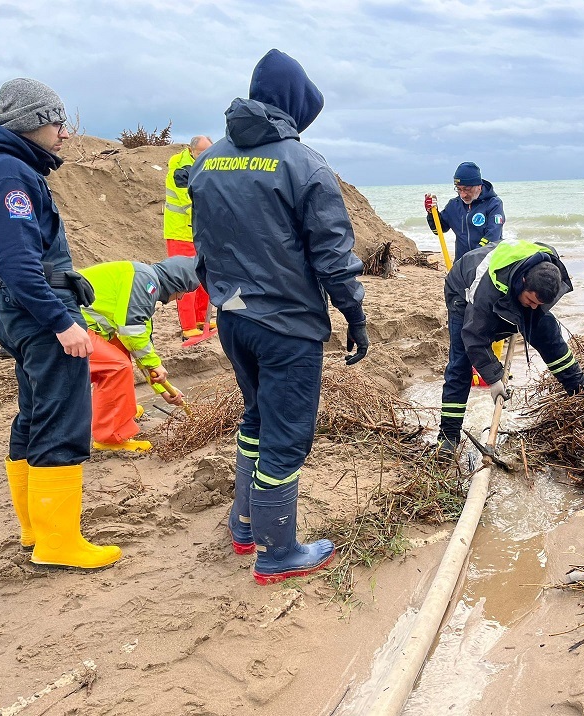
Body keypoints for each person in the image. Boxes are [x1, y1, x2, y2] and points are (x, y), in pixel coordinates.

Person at [190, 49, 370, 585]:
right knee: (287, 433)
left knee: (256, 419)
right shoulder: (303, 164)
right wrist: (354, 316)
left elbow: (203, 245)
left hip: (233, 316)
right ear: (294, 106)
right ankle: (276, 550)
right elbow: (333, 256)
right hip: (287, 325)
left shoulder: (209, 160)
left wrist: (224, 295)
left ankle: (243, 524)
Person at [0, 78, 121, 569]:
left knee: (33, 415)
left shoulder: (0, 165)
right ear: (31, 122)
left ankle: (35, 531)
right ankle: (58, 543)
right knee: (61, 419)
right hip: (38, 313)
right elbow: (15, 259)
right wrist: (61, 321)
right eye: (58, 121)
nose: (65, 133)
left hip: (20, 311)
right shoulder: (10, 173)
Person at [438, 239, 584, 454]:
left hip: (508, 286)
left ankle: (577, 383)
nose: (533, 306)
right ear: (522, 281)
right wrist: (494, 378)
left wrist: (531, 309)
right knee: (461, 360)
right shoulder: (487, 291)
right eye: (530, 300)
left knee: (546, 330)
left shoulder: (549, 269)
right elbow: (474, 336)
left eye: (538, 303)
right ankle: (448, 435)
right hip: (463, 290)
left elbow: (535, 307)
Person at [79, 256, 199, 453]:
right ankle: (110, 437)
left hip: (86, 324)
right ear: (175, 284)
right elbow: (132, 332)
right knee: (116, 366)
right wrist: (155, 365)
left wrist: (162, 389)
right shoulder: (145, 282)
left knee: (120, 354)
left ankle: (120, 411)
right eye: (182, 292)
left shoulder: (145, 282)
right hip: (68, 323)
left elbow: (140, 347)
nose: (180, 298)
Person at [164, 135, 213, 340]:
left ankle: (202, 318)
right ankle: (188, 326)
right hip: (180, 233)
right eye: (202, 153)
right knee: (186, 279)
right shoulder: (180, 170)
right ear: (191, 151)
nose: (205, 157)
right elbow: (192, 201)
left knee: (204, 276)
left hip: (199, 233)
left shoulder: (206, 166)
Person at [425, 161, 505, 261]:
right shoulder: (454, 205)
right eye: (459, 189)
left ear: (479, 186)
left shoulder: (494, 204)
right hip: (461, 264)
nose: (463, 195)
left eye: (467, 189)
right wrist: (432, 213)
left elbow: (493, 237)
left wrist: (472, 258)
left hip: (487, 263)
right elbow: (438, 230)